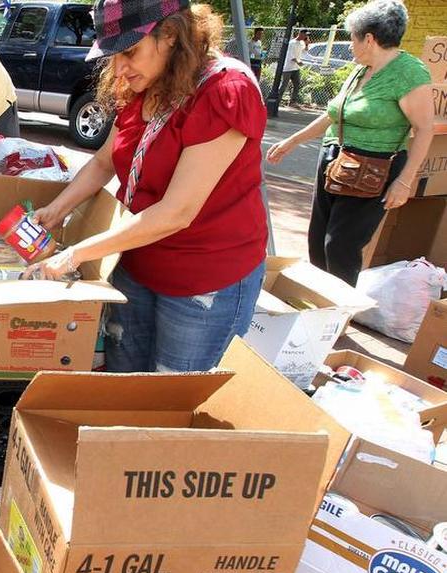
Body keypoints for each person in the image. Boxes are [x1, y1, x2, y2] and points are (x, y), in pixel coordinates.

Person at [28, 0, 267, 373]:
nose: (120, 68)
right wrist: (55, 210)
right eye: (113, 55)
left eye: (130, 52)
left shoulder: (224, 90)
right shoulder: (144, 83)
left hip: (204, 277)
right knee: (125, 382)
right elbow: (104, 162)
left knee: (171, 400)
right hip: (135, 260)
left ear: (170, 35)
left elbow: (177, 212)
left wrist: (74, 254)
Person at [267, 0, 432, 286]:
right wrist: (292, 141)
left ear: (369, 39)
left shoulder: (409, 73)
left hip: (373, 168)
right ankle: (317, 308)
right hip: (335, 161)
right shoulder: (360, 69)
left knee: (340, 246)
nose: (350, 44)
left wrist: (404, 181)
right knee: (318, 242)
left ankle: (337, 317)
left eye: (353, 38)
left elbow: (424, 128)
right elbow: (332, 114)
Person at [279, 30, 307, 106]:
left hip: (296, 68)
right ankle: (277, 100)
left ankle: (292, 102)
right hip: (288, 67)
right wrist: (298, 61)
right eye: (305, 34)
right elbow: (291, 56)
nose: (306, 36)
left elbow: (305, 51)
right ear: (300, 34)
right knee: (284, 85)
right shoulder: (292, 43)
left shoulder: (302, 43)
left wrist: (307, 44)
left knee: (297, 84)